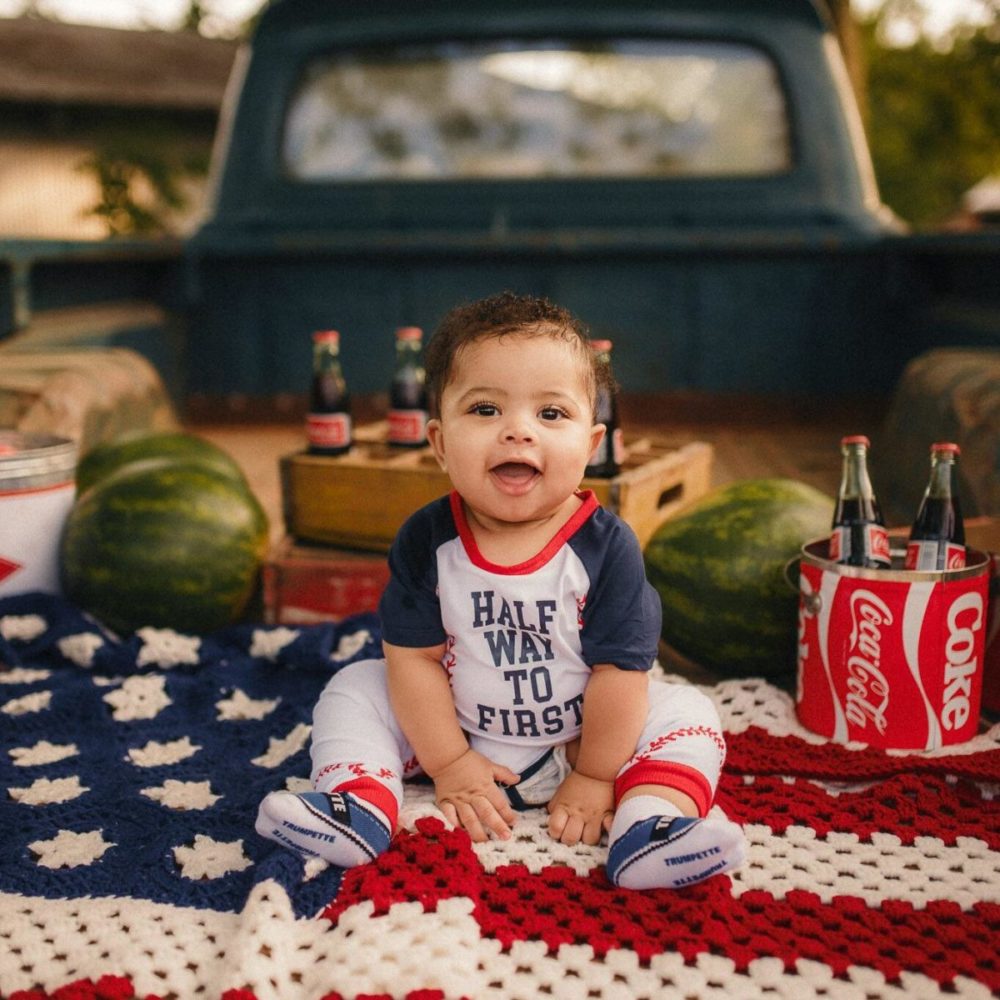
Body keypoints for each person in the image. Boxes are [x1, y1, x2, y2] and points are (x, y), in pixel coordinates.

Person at [256, 292, 745, 890]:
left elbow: (619, 672)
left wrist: (594, 775)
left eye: (551, 414)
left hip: (581, 739)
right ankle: (358, 806)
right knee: (355, 688)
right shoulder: (426, 540)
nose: (517, 431)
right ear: (438, 443)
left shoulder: (607, 548)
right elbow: (413, 660)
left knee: (686, 711)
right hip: (457, 729)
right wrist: (450, 764)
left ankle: (649, 822)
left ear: (591, 448)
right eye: (485, 409)